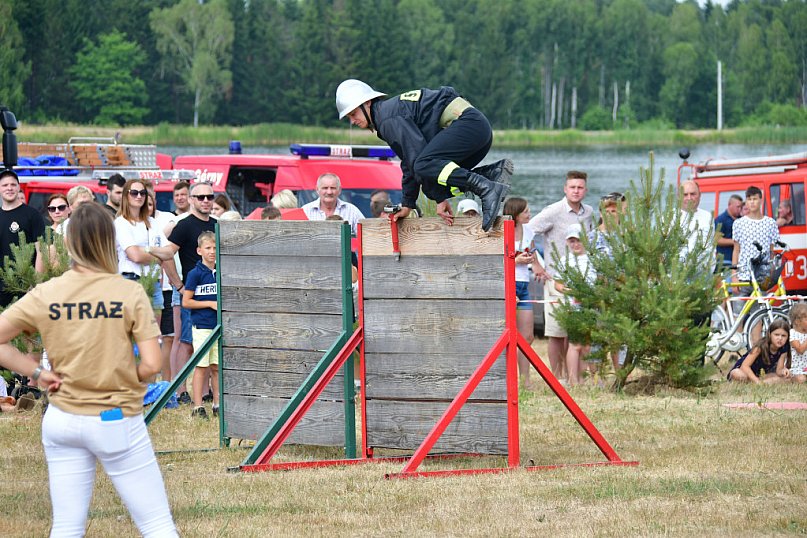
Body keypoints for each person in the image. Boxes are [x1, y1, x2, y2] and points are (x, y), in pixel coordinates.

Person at [0, 202, 178, 536]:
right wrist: (121, 375)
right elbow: (153, 364)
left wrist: (37, 373)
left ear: (68, 244)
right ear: (109, 241)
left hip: (62, 418)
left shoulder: (47, 292)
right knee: (156, 524)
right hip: (115, 417)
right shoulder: (128, 292)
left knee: (66, 526)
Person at [335, 79, 512, 231]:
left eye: (353, 113)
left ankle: (486, 188)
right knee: (432, 178)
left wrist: (437, 198)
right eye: (349, 117)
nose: (352, 120)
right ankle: (489, 175)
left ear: (367, 103)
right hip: (477, 131)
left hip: (469, 126)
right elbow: (409, 162)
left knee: (424, 168)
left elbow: (416, 160)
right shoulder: (386, 116)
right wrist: (408, 204)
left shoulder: (388, 118)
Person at [150, 182, 217, 404]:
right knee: (186, 342)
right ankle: (180, 391)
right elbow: (167, 253)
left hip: (213, 292)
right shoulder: (184, 225)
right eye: (200, 197)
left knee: (208, 341)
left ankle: (206, 392)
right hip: (191, 291)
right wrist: (178, 284)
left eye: (209, 196)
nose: (205, 201)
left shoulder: (217, 224)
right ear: (191, 200)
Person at [527, 170, 594, 382]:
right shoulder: (553, 211)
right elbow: (527, 231)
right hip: (556, 279)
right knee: (557, 333)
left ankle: (574, 376)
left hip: (581, 282)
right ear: (565, 189)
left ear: (585, 190)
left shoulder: (589, 212)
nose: (576, 191)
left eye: (580, 187)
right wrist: (535, 263)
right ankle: (557, 378)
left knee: (575, 333)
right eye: (572, 187)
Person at [182, 231, 220, 418]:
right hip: (202, 326)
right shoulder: (195, 273)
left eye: (214, 247)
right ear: (199, 251)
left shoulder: (220, 271)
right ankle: (197, 406)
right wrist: (209, 303)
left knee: (217, 366)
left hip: (218, 326)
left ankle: (217, 404)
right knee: (201, 366)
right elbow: (186, 302)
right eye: (208, 248)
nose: (212, 251)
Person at [554, 224, 595, 386]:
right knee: (574, 344)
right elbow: (558, 284)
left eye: (579, 240)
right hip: (573, 308)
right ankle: (572, 380)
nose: (576, 244)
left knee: (587, 346)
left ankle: (582, 379)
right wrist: (571, 291)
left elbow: (600, 281)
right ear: (567, 242)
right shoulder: (565, 261)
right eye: (572, 241)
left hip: (590, 307)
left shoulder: (593, 259)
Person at [504, 197, 537, 389]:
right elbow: (497, 260)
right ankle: (508, 379)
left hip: (524, 284)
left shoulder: (529, 230)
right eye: (526, 211)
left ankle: (525, 381)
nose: (529, 214)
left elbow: (532, 252)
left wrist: (535, 262)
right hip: (509, 283)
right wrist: (516, 261)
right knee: (505, 336)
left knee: (527, 336)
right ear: (515, 214)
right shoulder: (502, 231)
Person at [0, 169, 45, 307]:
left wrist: (36, 282)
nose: (9, 188)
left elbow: (41, 251)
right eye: (5, 185)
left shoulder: (32, 215)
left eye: (13, 185)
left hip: (25, 287)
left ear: (19, 187)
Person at [727, 318, 790, 384]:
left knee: (785, 378)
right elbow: (745, 366)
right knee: (738, 374)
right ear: (769, 334)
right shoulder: (760, 346)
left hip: (759, 375)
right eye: (776, 335)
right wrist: (757, 381)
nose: (780, 338)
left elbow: (779, 370)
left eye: (783, 336)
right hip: (744, 371)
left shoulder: (783, 348)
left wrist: (783, 371)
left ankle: (754, 382)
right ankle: (756, 382)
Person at [680, 180, 716, 273]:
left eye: (693, 194)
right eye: (685, 195)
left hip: (704, 275)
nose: (689, 198)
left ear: (700, 195)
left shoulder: (708, 217)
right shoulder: (671, 217)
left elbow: (711, 245)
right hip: (678, 276)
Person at [714, 194, 743, 268]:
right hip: (725, 261)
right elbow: (717, 240)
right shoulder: (721, 220)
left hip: (740, 260)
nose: (740, 209)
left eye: (741, 207)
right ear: (730, 205)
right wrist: (735, 242)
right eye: (738, 207)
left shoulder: (742, 220)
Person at [787, 302, 807, 383]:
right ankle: (792, 379)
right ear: (797, 321)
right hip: (797, 368)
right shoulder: (793, 334)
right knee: (801, 379)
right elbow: (800, 350)